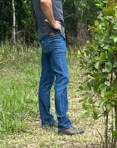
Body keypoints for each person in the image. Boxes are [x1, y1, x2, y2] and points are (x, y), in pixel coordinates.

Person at [32, 0, 83, 135]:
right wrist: (54, 23)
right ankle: (64, 125)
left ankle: (47, 120)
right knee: (62, 77)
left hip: (45, 36)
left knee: (46, 80)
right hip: (53, 35)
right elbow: (45, 1)